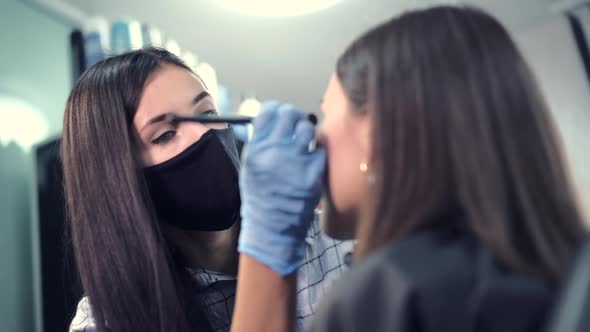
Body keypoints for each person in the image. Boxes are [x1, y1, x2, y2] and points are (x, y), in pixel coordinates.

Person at [230, 5, 588, 332]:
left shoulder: (386, 295)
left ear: (375, 131)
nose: (317, 139)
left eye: (324, 114)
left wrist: (266, 246)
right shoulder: (568, 269)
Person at [62, 47, 353, 332]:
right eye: (165, 135)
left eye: (209, 113)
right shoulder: (103, 322)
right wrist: (268, 244)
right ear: (120, 178)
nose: (205, 133)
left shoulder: (341, 243)